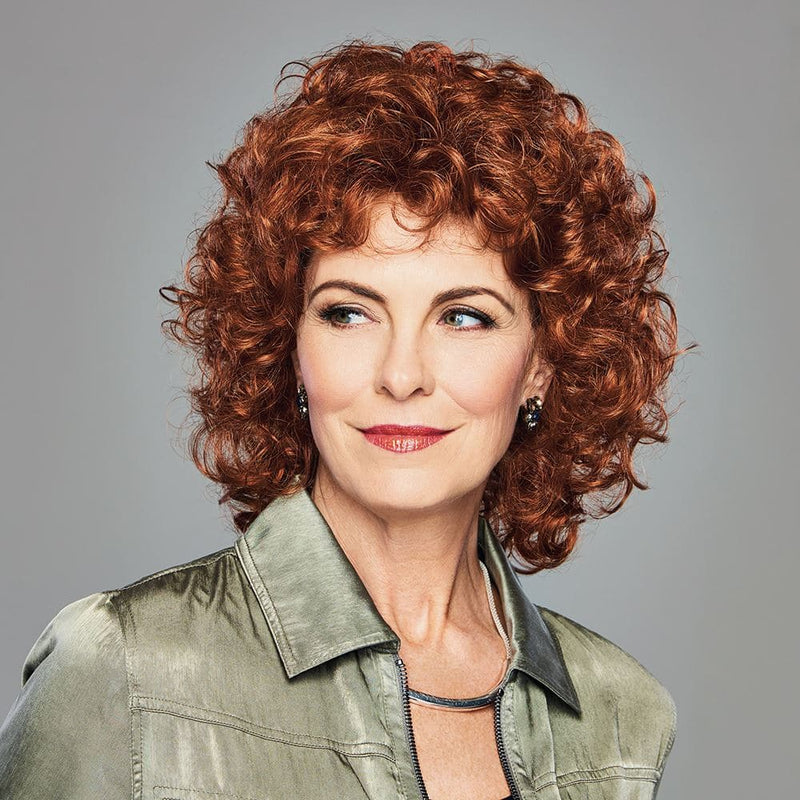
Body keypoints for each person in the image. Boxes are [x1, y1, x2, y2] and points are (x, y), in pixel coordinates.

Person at [0, 39, 686, 799]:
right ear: (288, 345)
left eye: (463, 317)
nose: (401, 375)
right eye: (349, 312)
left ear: (542, 366)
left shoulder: (621, 719)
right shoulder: (127, 671)